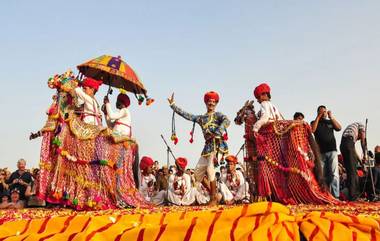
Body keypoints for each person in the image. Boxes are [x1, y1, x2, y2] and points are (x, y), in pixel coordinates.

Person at [168, 91, 230, 205]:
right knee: (197, 173)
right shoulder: (201, 118)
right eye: (209, 102)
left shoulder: (218, 115)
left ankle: (213, 198)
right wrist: (173, 106)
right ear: (206, 103)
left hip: (217, 145)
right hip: (207, 147)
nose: (211, 104)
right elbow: (187, 115)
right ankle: (215, 194)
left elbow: (227, 121)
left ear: (216, 103)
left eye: (213, 102)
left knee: (210, 169)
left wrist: (217, 132)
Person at [310, 106, 342, 198]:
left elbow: (339, 128)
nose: (324, 113)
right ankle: (323, 195)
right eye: (321, 111)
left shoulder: (329, 121)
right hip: (320, 152)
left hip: (332, 151)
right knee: (322, 174)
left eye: (325, 111)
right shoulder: (314, 122)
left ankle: (335, 196)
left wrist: (331, 117)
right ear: (318, 112)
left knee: (334, 174)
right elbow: (312, 130)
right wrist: (318, 117)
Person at [340, 122, 366, 201]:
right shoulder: (361, 126)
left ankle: (350, 194)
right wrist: (365, 154)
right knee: (353, 172)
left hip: (343, 145)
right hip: (348, 144)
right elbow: (363, 141)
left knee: (350, 171)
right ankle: (354, 196)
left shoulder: (351, 132)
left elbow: (353, 151)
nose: (358, 139)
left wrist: (360, 162)